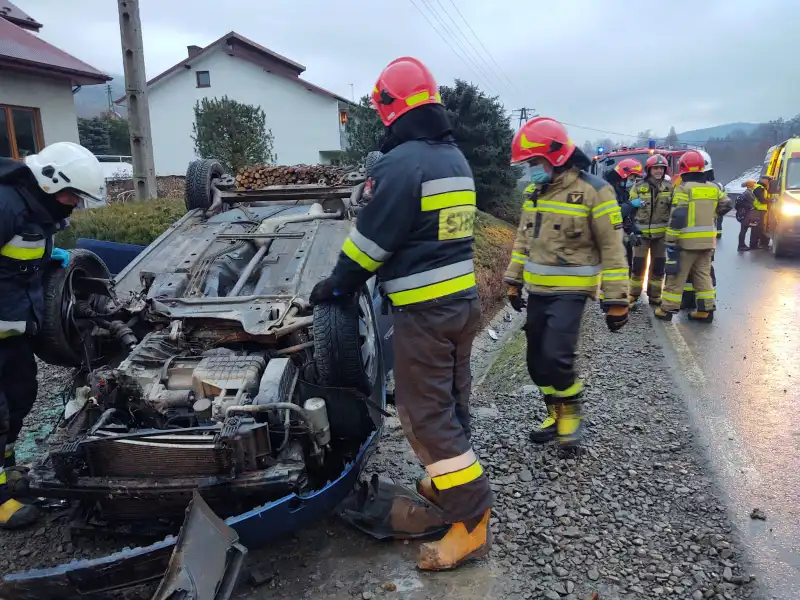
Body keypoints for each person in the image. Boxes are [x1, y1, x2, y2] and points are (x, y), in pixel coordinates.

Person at [309, 57, 492, 571]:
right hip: (460, 305)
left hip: (425, 314)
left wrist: (335, 287)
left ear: (390, 107)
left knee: (425, 416)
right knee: (452, 402)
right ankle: (445, 479)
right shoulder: (453, 158)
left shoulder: (401, 164)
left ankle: (472, 521)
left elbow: (371, 243)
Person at [504, 117, 629, 448]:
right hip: (538, 292)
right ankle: (555, 413)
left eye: (534, 162)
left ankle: (570, 417)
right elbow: (523, 241)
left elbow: (613, 249)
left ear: (556, 156)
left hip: (572, 293)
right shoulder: (535, 193)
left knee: (558, 357)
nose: (531, 170)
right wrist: (513, 282)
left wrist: (617, 301)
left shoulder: (595, 192)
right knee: (536, 364)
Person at [0, 141, 103, 529]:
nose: (74, 203)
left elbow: (17, 265)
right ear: (48, 181)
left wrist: (51, 260)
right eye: (72, 194)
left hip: (13, 333)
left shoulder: (37, 210)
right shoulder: (5, 206)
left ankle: (6, 472)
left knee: (21, 397)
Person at [655, 150, 731, 323]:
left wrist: (671, 239)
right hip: (706, 243)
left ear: (683, 168)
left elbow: (678, 215)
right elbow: (727, 204)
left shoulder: (684, 189)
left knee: (676, 277)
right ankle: (705, 310)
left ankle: (667, 309)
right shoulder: (713, 188)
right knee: (703, 276)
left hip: (686, 243)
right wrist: (713, 214)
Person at [624, 154, 672, 306]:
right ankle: (633, 294)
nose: (658, 171)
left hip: (661, 236)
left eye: (661, 168)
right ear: (649, 169)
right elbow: (629, 210)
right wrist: (631, 229)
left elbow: (674, 210)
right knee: (638, 266)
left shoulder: (670, 188)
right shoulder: (638, 186)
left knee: (658, 267)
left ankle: (655, 295)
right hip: (641, 235)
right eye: (655, 168)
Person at [603, 158, 643, 272]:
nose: (633, 181)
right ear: (624, 174)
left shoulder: (622, 190)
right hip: (609, 236)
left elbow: (626, 218)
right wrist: (630, 204)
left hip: (619, 236)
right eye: (632, 178)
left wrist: (633, 232)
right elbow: (615, 214)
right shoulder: (608, 189)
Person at [750, 175, 771, 249]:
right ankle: (754, 245)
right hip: (758, 210)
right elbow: (762, 200)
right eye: (768, 181)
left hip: (759, 210)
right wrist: (770, 201)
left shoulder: (759, 187)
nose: (768, 182)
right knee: (757, 228)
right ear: (764, 180)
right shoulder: (759, 188)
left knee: (757, 227)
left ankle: (754, 244)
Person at [736, 180, 757, 251]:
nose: (755, 186)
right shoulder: (747, 193)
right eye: (754, 184)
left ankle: (742, 244)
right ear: (751, 185)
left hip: (745, 213)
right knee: (743, 230)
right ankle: (741, 245)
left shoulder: (747, 192)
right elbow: (752, 201)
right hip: (745, 214)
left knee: (744, 229)